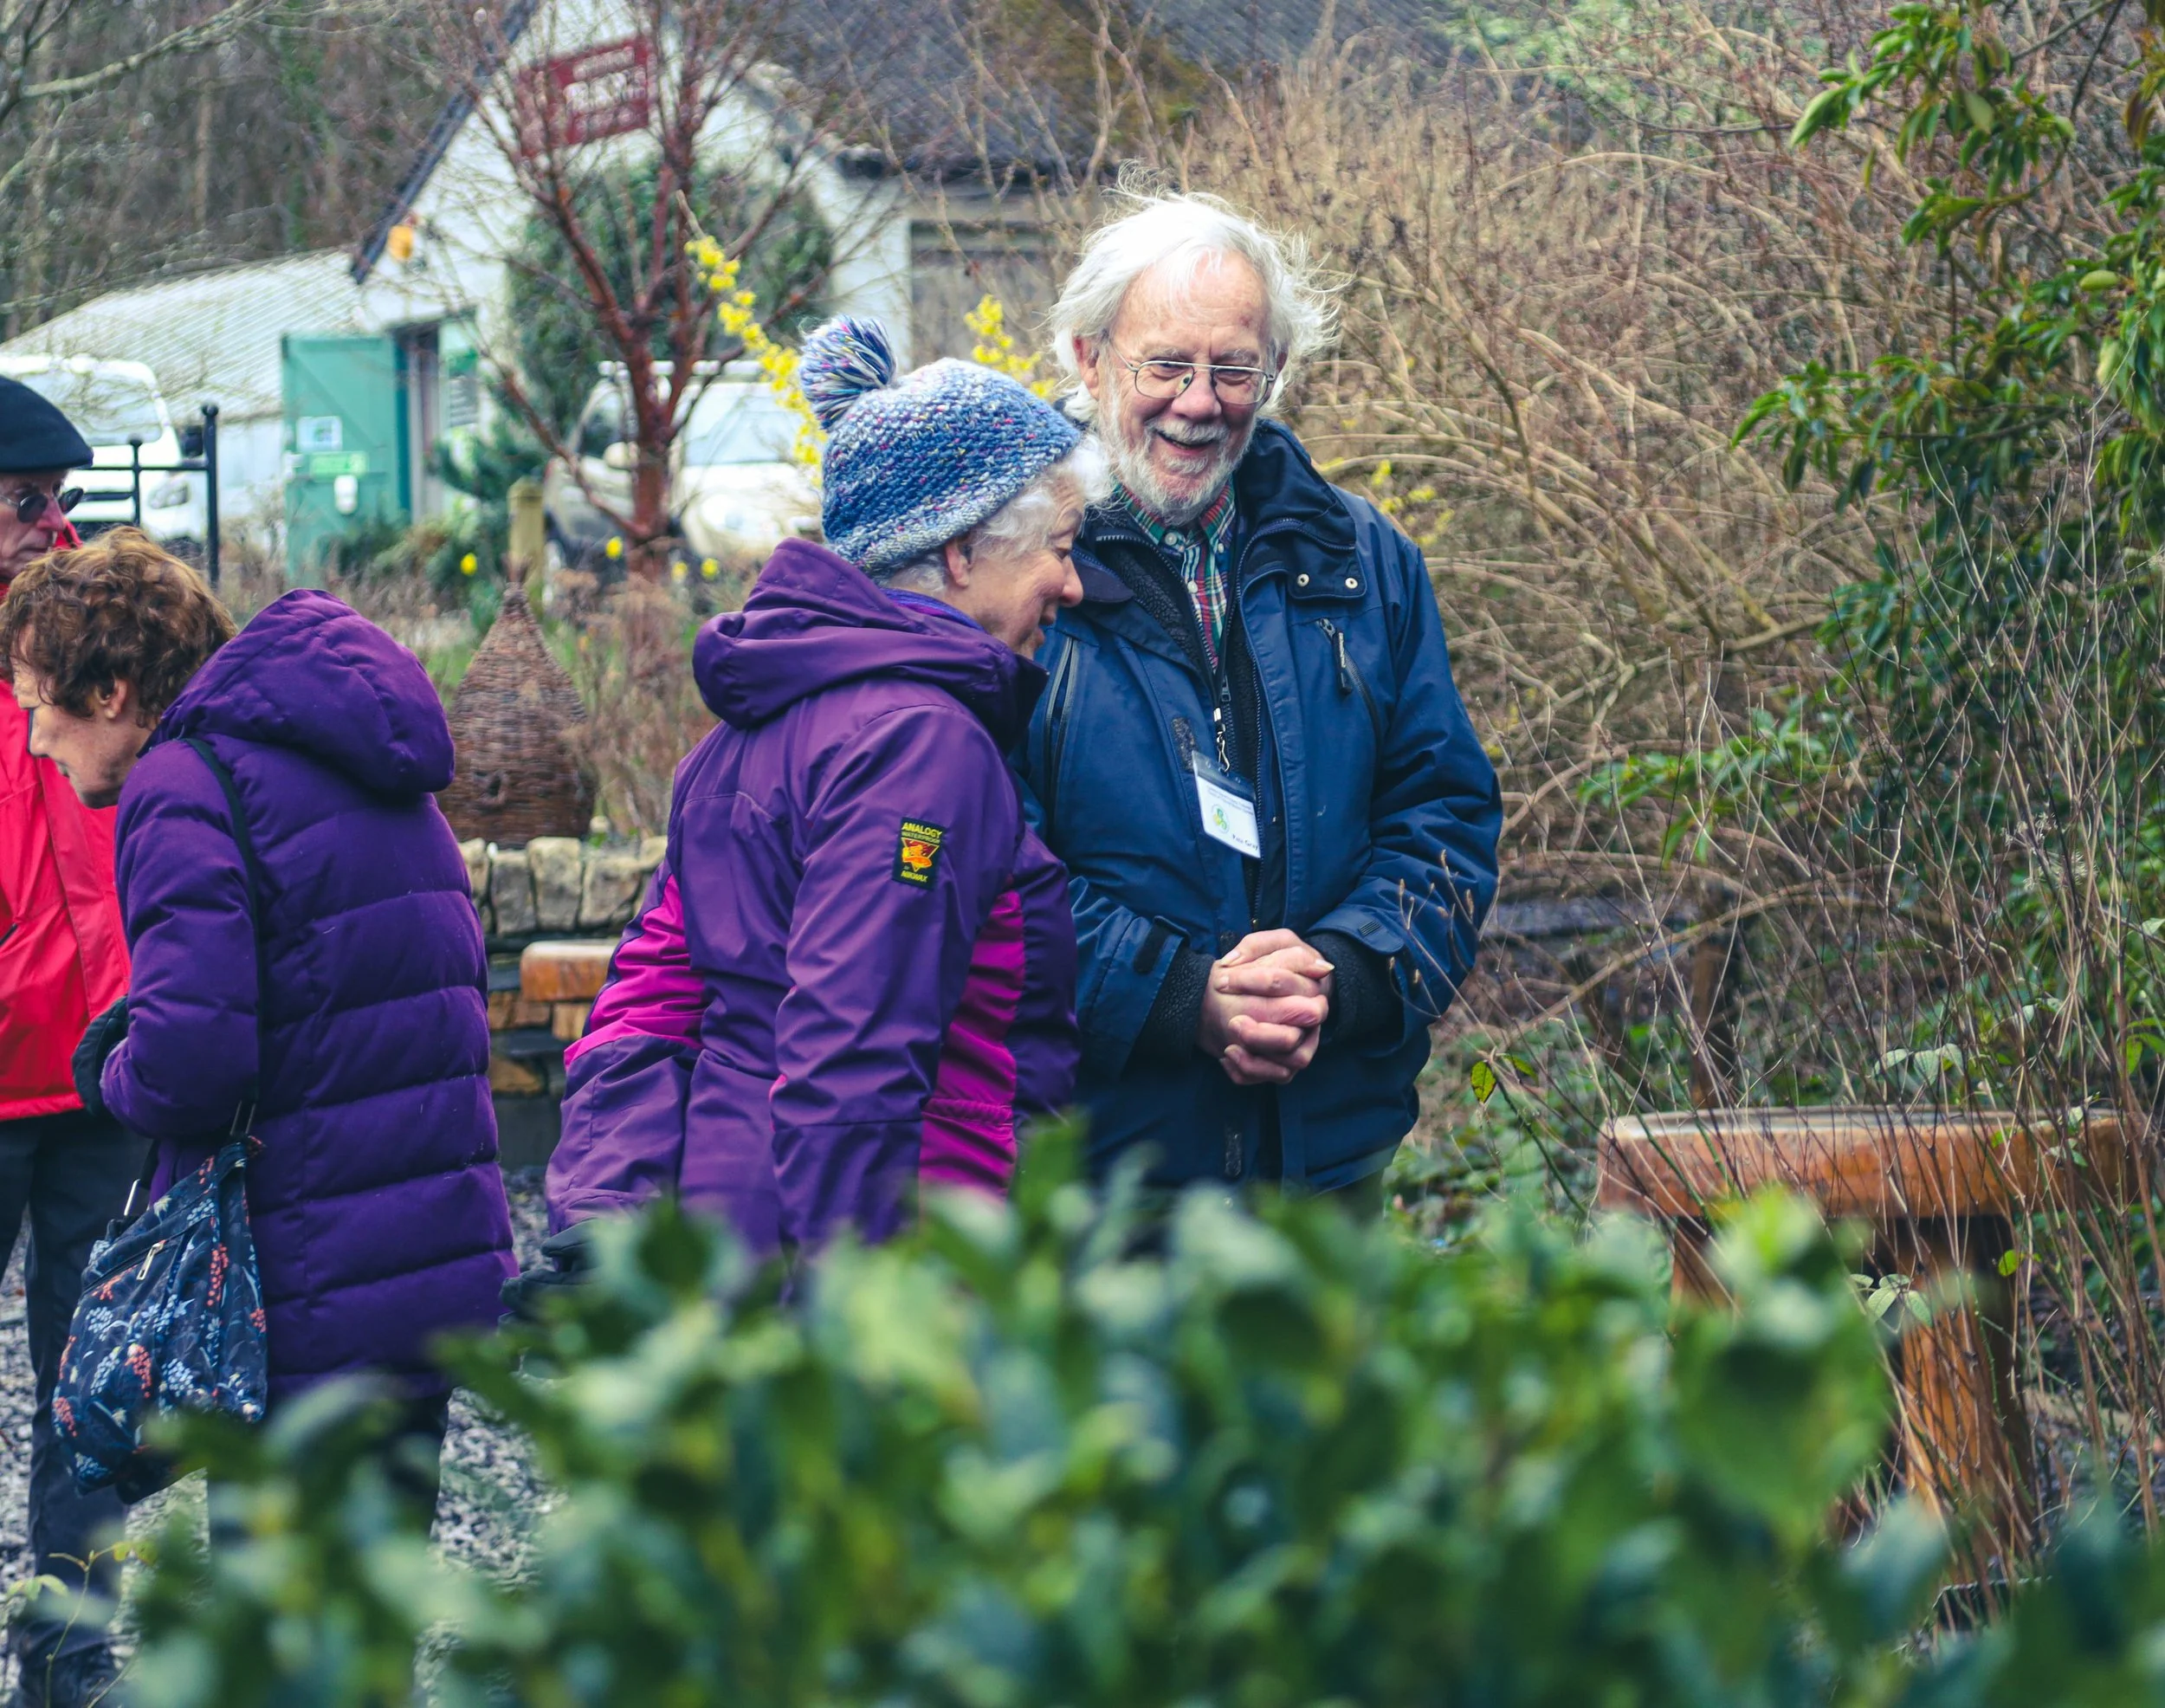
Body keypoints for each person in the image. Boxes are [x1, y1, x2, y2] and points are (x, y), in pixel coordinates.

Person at [537, 320, 1095, 1271]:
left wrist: (603, 1208)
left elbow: (648, 1002)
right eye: (1059, 546)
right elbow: (853, 1061)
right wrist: (857, 1326)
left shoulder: (748, 730)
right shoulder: (923, 746)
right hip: (896, 1267)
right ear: (960, 553)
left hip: (739, 1246)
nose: (1073, 584)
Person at [3, 529, 517, 1536]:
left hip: (305, 1280)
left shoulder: (181, 786)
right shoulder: (353, 754)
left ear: (110, 693)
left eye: (36, 707)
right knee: (371, 1615)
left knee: (286, 1627)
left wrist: (112, 1071)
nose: (33, 743)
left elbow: (195, 1060)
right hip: (429, 1263)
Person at [1013, 191, 1503, 1203]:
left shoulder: (1364, 561)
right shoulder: (1013, 567)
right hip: (1094, 1187)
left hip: (1324, 1177)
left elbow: (1443, 819)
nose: (1199, 401)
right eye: (1165, 365)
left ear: (1272, 373)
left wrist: (1341, 976)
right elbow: (977, 868)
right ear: (1087, 358)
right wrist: (1182, 997)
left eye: (1234, 368)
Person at [0, 377, 129, 1707]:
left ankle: (69, 1650)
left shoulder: (99, 627)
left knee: (93, 1379)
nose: (55, 525)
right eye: (26, 504)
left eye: (61, 502)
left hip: (104, 1067)